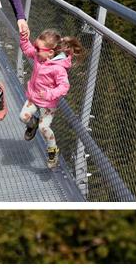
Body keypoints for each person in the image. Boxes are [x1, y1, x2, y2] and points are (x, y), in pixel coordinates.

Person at [18, 29, 84, 168]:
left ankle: (52, 150)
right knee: (23, 117)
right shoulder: (38, 56)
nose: (35, 50)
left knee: (44, 128)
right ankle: (32, 123)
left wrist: (49, 93)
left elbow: (64, 87)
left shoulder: (58, 68)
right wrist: (24, 38)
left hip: (48, 103)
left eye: (38, 48)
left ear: (50, 52)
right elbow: (27, 49)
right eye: (35, 47)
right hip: (34, 97)